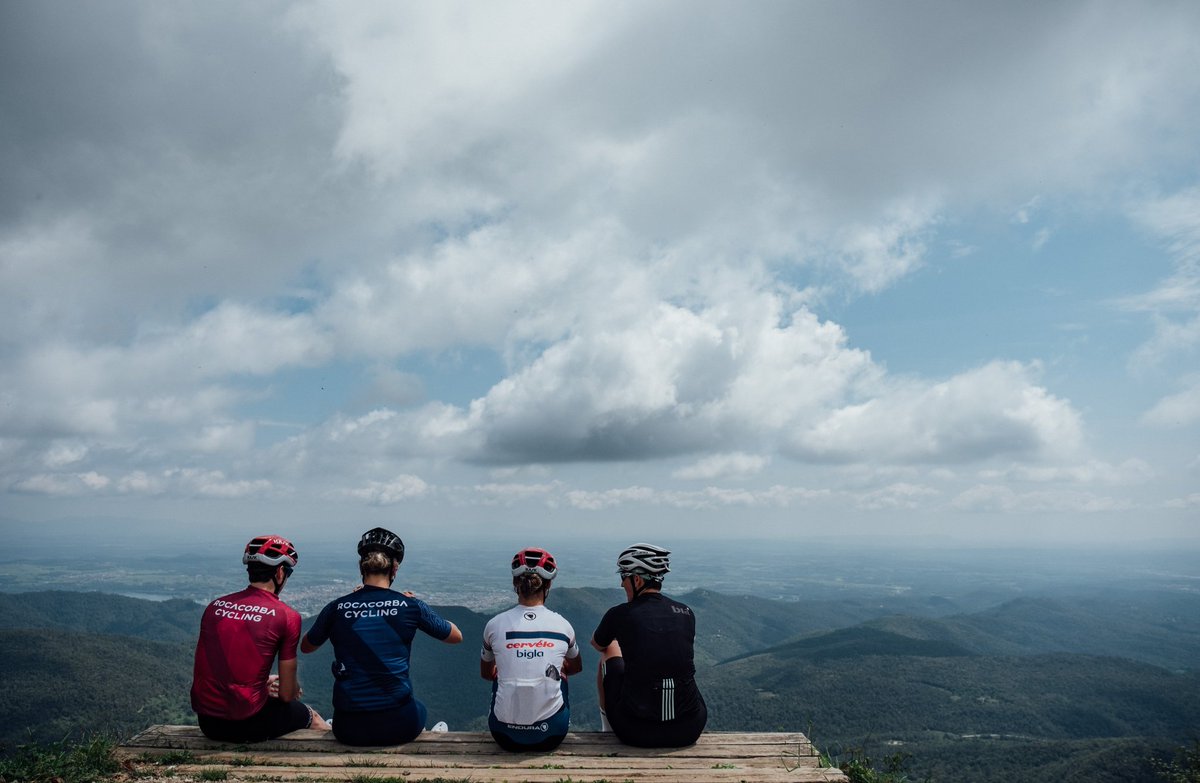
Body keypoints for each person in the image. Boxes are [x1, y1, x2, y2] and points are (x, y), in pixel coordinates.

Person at [301, 527, 462, 746]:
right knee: (419, 708)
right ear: (394, 569)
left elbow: (306, 647)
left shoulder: (336, 608)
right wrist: (418, 604)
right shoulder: (410, 606)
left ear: (361, 567)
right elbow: (455, 636)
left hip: (347, 729)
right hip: (400, 726)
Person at [191, 535, 331, 742]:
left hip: (208, 723)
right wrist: (289, 685)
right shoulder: (286, 616)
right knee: (313, 717)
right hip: (248, 721)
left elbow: (220, 668)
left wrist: (263, 683)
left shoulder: (215, 607)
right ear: (280, 572)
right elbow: (287, 695)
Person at [591, 542, 707, 748]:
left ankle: (607, 728)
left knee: (610, 650)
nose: (621, 585)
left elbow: (598, 644)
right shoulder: (686, 612)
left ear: (636, 579)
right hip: (689, 729)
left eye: (623, 577)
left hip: (635, 731)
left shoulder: (619, 613)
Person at [480, 547, 583, 752]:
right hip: (551, 735)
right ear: (549, 584)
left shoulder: (494, 624)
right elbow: (576, 667)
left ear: (514, 583)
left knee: (499, 675)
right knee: (559, 674)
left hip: (503, 736)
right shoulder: (563, 625)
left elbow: (486, 674)